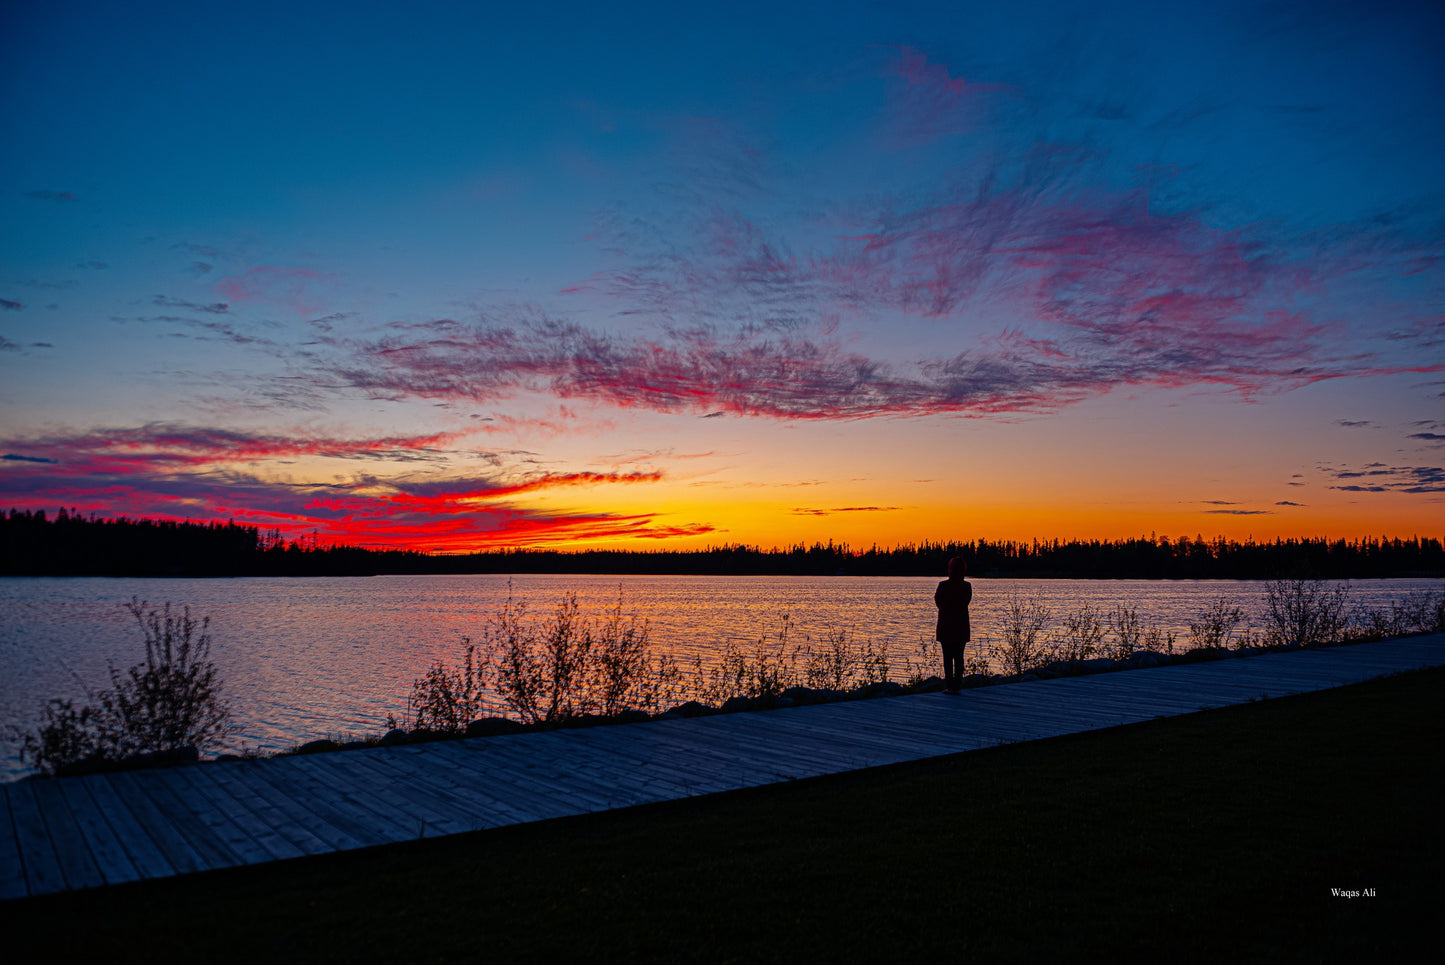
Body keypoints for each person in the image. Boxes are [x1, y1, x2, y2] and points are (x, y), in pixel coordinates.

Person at [934, 557, 972, 694]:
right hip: (961, 626)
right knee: (958, 657)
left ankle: (950, 686)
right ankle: (957, 686)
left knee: (948, 658)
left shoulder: (943, 585)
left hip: (946, 626)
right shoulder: (966, 586)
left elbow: (938, 602)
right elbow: (965, 602)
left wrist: (946, 609)